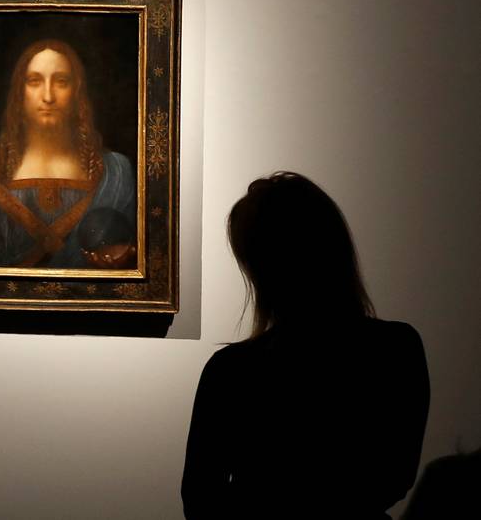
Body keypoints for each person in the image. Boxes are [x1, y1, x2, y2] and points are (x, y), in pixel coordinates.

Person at [181, 172, 430, 520]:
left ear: (258, 269)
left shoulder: (230, 371)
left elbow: (201, 500)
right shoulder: (396, 349)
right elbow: (393, 477)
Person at [0, 38, 136, 269]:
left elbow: (129, 249)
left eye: (61, 81)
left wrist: (121, 256)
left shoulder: (116, 171)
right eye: (34, 81)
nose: (48, 96)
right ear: (19, 92)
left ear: (77, 92)